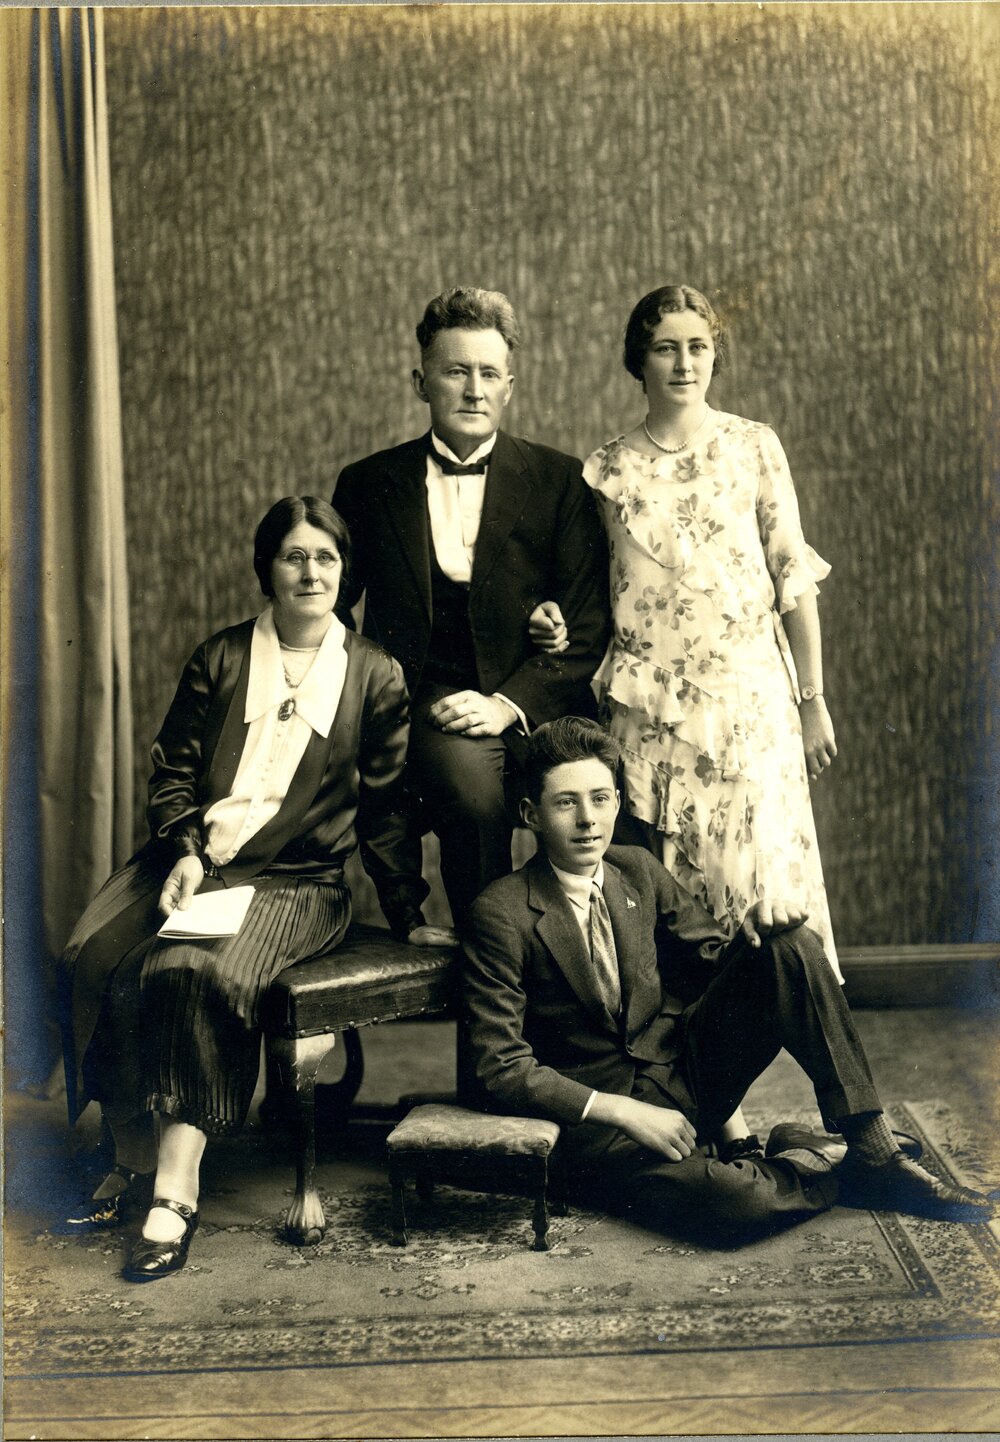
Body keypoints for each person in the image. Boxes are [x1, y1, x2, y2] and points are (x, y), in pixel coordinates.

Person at [58, 496, 453, 1283]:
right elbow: (172, 772)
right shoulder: (223, 657)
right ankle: (128, 1146)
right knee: (94, 953)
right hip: (195, 860)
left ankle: (174, 1186)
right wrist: (187, 850)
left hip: (294, 882)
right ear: (266, 570)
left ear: (345, 571)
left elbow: (382, 811)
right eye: (293, 557)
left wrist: (408, 913)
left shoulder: (373, 674)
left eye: (326, 558)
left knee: (188, 968)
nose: (311, 573)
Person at [462, 717, 994, 1244]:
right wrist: (623, 1112)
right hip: (601, 1129)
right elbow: (500, 1064)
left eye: (601, 798)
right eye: (566, 803)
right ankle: (812, 1163)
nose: (588, 820)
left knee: (786, 943)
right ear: (531, 814)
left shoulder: (637, 869)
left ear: (619, 802)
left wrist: (753, 928)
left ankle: (872, 1147)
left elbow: (713, 963)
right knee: (732, 1203)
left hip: (683, 1075)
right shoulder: (501, 912)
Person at [569, 285, 839, 981]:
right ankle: (693, 1071)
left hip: (747, 702)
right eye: (667, 349)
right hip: (648, 708)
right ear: (640, 361)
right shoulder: (607, 471)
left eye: (699, 347)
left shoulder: (753, 447)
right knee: (672, 885)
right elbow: (588, 592)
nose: (684, 363)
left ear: (715, 356)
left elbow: (791, 576)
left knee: (756, 882)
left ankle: (778, 1029)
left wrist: (812, 701)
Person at [333, 286, 610, 931]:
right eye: (455, 371)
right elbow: (334, 615)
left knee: (597, 796)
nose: (473, 389)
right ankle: (489, 973)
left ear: (509, 386)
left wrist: (507, 702)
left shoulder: (558, 479)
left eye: (489, 373)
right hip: (424, 699)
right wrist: (371, 698)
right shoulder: (369, 485)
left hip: (533, 697)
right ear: (420, 381)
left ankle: (573, 978)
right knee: (473, 791)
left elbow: (588, 621)